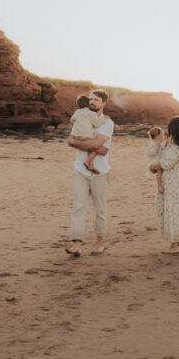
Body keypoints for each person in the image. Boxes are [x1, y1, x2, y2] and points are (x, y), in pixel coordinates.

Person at [65, 89, 114, 256]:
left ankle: (99, 242)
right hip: (79, 170)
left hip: (100, 172)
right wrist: (93, 146)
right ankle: (76, 244)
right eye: (91, 99)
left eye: (96, 100)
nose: (92, 102)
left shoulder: (107, 122)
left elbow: (100, 144)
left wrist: (88, 144)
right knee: (78, 207)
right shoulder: (81, 115)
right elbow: (70, 140)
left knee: (100, 209)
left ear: (103, 103)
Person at [149, 115, 179, 254]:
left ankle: (175, 245)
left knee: (172, 211)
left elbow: (165, 163)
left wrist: (152, 166)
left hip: (172, 184)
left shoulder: (175, 147)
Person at [70, 94, 104, 174]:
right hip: (87, 138)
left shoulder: (77, 112)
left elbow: (71, 120)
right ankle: (87, 161)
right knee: (97, 148)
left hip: (77, 137)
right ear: (88, 104)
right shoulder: (92, 114)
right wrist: (104, 120)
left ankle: (90, 165)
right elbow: (96, 124)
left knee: (90, 148)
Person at [146, 126, 164, 194]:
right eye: (162, 135)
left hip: (160, 160)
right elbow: (149, 153)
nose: (163, 137)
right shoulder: (152, 144)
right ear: (158, 136)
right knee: (159, 171)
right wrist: (156, 147)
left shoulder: (161, 144)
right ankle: (159, 186)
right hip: (154, 161)